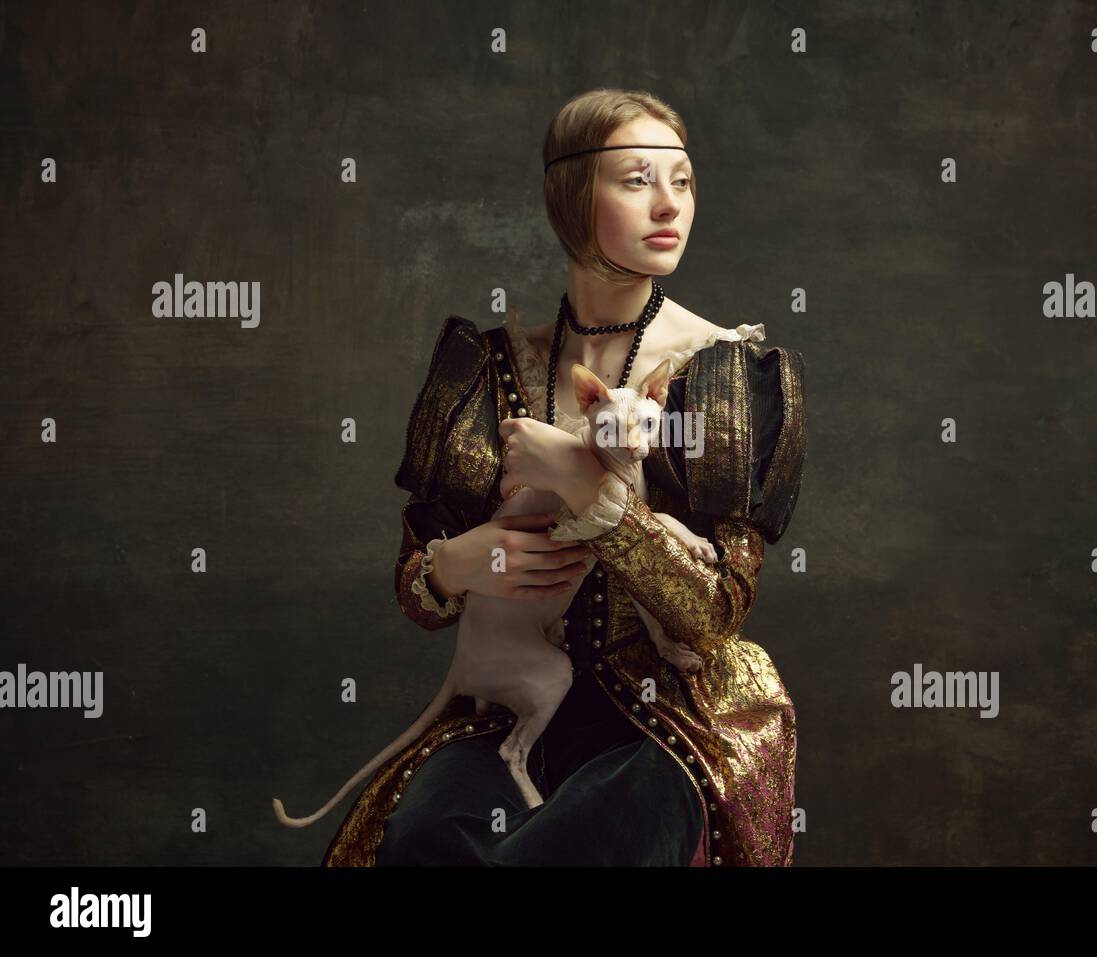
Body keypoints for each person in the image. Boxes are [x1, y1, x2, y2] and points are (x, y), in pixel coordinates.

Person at [322, 88, 807, 867]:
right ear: (573, 194)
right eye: (636, 178)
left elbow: (715, 612)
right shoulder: (486, 367)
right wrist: (454, 563)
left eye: (682, 180)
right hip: (511, 713)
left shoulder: (721, 372)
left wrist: (584, 486)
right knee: (421, 846)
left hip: (669, 724)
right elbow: (417, 587)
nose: (668, 203)